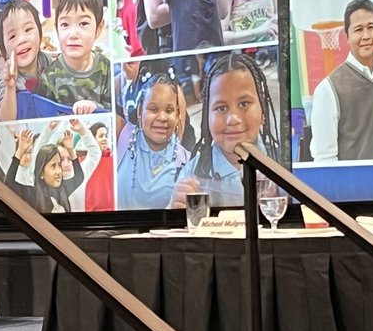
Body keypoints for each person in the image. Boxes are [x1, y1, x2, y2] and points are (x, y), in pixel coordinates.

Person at [173, 52, 281, 207]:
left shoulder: (282, 166)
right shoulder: (191, 174)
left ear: (263, 110)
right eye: (221, 108)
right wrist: (175, 214)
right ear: (206, 118)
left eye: (244, 104)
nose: (233, 119)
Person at [309, 0, 373, 161]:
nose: (366, 36)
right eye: (358, 30)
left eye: (371, 27)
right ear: (347, 36)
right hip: (355, 184)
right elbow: (324, 158)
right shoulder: (328, 89)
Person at [116, 72, 190, 209]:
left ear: (178, 114)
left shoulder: (187, 161)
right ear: (139, 112)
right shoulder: (122, 134)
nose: (162, 117)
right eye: (153, 109)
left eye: (169, 110)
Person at [39, 0, 112, 111]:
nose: (73, 34)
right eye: (65, 24)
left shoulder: (107, 69)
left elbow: (115, 115)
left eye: (83, 23)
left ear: (99, 28)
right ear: (56, 28)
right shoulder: (49, 79)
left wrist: (96, 108)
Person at [4, 120, 97, 213]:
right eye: (53, 166)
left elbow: (79, 177)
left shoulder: (63, 189)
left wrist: (70, 150)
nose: (58, 171)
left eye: (59, 165)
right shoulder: (33, 193)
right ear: (41, 173)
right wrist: (19, 152)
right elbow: (8, 185)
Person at [0, 0, 56, 122]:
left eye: (28, 30)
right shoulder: (6, 78)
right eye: (12, 36)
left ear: (40, 34)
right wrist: (10, 88)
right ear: (4, 51)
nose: (21, 40)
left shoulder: (46, 61)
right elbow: (6, 119)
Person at [83, 120, 115, 211]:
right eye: (101, 136)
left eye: (106, 135)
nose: (105, 139)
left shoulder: (113, 160)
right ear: (92, 139)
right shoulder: (85, 162)